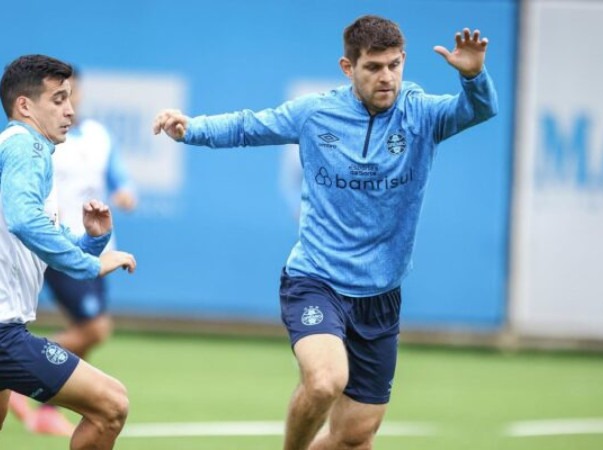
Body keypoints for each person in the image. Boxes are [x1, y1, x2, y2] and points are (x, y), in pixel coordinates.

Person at [154, 15, 498, 450]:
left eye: (394, 65)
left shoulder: (422, 114)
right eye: (373, 67)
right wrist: (192, 129)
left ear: (404, 61)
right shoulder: (316, 113)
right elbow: (249, 126)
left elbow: (478, 109)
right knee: (324, 382)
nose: (386, 77)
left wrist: (473, 76)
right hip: (317, 279)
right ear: (347, 67)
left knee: (354, 438)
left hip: (380, 294)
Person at [0, 54, 136, 449]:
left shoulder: (24, 151)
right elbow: (25, 222)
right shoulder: (27, 148)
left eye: (71, 98)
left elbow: (40, 234)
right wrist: (91, 263)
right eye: (58, 99)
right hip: (3, 332)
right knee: (111, 405)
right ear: (25, 106)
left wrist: (92, 240)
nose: (71, 111)